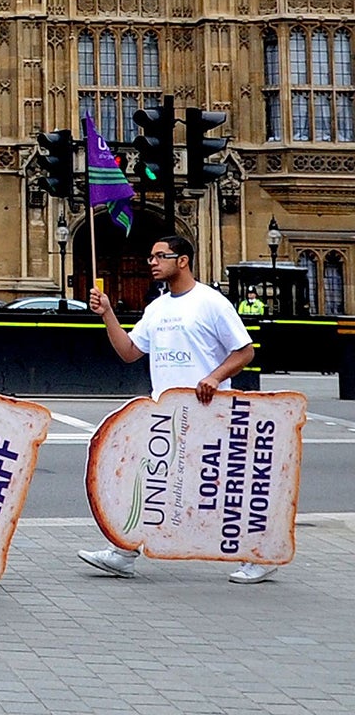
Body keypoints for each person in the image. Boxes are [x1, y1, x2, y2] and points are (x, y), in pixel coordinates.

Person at [78, 233, 270, 585]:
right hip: (164, 415)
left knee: (220, 485)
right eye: (151, 256)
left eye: (160, 256)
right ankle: (124, 551)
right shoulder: (158, 308)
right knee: (144, 479)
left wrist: (214, 377)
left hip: (207, 412)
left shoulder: (211, 303)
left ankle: (259, 552)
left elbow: (244, 352)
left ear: (183, 261)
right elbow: (130, 352)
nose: (152, 262)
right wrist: (107, 313)